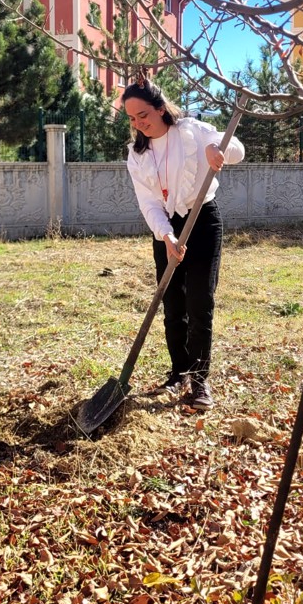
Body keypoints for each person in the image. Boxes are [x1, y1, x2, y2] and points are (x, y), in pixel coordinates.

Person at [122, 73, 245, 411]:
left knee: (199, 302)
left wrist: (215, 150)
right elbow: (148, 202)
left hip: (202, 220)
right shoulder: (137, 153)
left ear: (160, 108)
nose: (138, 124)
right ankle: (179, 373)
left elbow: (236, 148)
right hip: (166, 227)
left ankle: (200, 380)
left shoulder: (192, 130)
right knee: (173, 303)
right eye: (132, 119)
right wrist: (166, 235)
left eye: (142, 115)